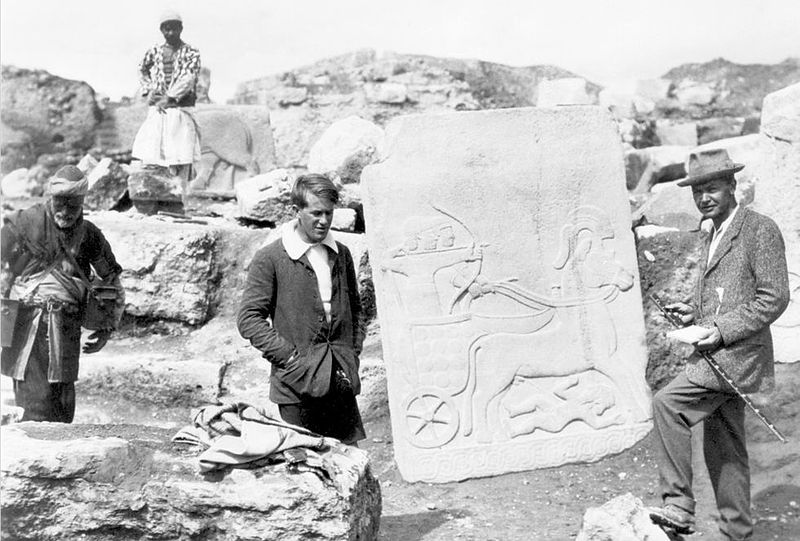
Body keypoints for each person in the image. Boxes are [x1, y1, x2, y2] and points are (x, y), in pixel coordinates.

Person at [648, 148, 790, 540]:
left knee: (667, 404)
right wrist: (695, 316)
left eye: (712, 189)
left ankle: (678, 505)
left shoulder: (759, 229)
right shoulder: (712, 231)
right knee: (723, 446)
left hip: (739, 356)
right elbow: (727, 295)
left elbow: (774, 297)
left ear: (733, 186)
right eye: (698, 192)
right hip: (717, 354)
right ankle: (737, 530)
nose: (704, 198)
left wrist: (721, 330)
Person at [237, 174, 366, 445]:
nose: (323, 221)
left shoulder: (340, 253)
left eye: (329, 213)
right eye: (316, 213)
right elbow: (249, 319)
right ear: (296, 212)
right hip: (296, 386)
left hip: (339, 380)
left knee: (350, 458)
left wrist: (351, 352)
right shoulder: (271, 257)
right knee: (307, 464)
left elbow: (356, 309)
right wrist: (290, 358)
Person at [1, 166, 125, 422]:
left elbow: (110, 277)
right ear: (50, 198)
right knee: (33, 406)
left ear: (82, 202)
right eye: (60, 203)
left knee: (62, 403)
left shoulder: (89, 235)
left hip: (67, 327)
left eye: (73, 205)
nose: (65, 212)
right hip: (27, 324)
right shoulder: (24, 223)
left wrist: (106, 327)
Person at [132, 10, 201, 194]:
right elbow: (142, 69)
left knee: (181, 152)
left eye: (174, 29)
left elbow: (188, 78)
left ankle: (181, 197)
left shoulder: (191, 52)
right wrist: (149, 90)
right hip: (158, 111)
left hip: (179, 108)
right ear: (162, 30)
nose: (170, 33)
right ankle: (157, 195)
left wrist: (169, 97)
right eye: (166, 29)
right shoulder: (154, 51)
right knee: (154, 151)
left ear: (181, 29)